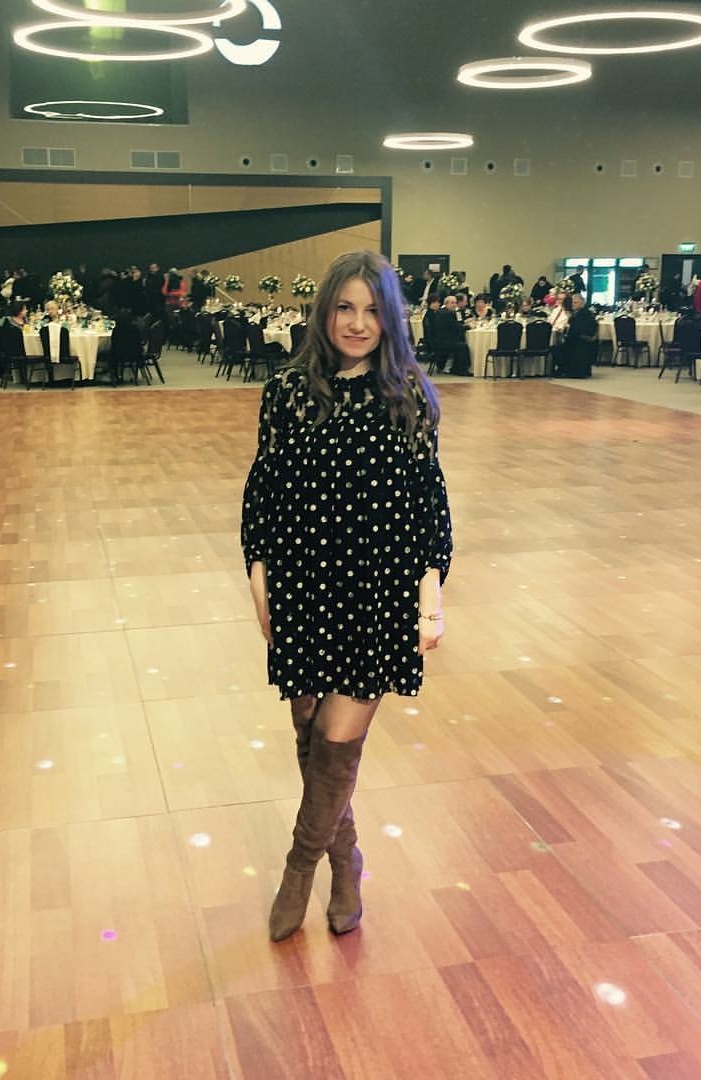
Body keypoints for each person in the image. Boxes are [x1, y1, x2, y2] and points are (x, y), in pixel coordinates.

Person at [241, 250, 453, 942]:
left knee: (336, 741)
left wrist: (430, 599)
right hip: (302, 588)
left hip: (377, 597)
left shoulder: (409, 395)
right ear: (325, 312)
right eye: (345, 308)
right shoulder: (288, 390)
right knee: (311, 736)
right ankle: (348, 858)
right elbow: (263, 490)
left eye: (371, 310)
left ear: (390, 319)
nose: (357, 323)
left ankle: (299, 869)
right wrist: (258, 576)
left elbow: (429, 508)